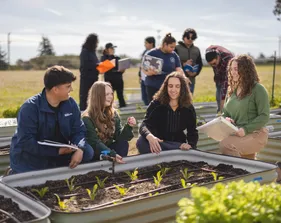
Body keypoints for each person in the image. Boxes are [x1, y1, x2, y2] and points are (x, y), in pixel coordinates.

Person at [9, 66, 94, 174]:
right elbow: (26, 142)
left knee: (87, 152)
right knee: (33, 182)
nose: (71, 90)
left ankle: (59, 170)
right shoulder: (30, 108)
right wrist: (57, 151)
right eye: (68, 86)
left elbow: (78, 130)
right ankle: (16, 173)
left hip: (60, 151)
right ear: (55, 89)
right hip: (32, 156)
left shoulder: (71, 104)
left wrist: (80, 148)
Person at [219, 55, 270, 159]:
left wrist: (245, 129)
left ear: (246, 70)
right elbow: (225, 113)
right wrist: (226, 119)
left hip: (255, 134)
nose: (233, 72)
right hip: (237, 134)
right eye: (231, 69)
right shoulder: (232, 90)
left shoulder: (258, 89)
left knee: (226, 145)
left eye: (236, 69)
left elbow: (264, 116)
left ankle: (237, 174)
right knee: (249, 163)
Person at [137, 72, 198, 154]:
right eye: (170, 86)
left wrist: (191, 145)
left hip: (177, 143)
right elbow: (144, 125)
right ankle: (173, 150)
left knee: (184, 148)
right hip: (158, 142)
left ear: (182, 88)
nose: (173, 90)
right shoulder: (156, 104)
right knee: (141, 142)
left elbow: (192, 132)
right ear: (166, 87)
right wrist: (150, 136)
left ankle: (169, 151)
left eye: (177, 86)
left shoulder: (188, 108)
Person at [82, 81, 136, 163]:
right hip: (95, 151)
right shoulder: (86, 118)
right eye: (107, 94)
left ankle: (118, 167)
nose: (111, 97)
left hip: (108, 149)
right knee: (94, 151)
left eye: (111, 94)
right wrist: (112, 154)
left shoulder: (113, 113)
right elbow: (95, 142)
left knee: (123, 144)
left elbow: (119, 137)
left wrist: (128, 126)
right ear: (97, 96)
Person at [142, 33, 184, 103]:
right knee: (154, 109)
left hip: (168, 87)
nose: (173, 49)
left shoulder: (174, 55)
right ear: (165, 44)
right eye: (171, 47)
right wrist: (149, 73)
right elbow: (143, 68)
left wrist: (183, 77)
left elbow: (178, 68)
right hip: (153, 86)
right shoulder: (151, 53)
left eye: (174, 47)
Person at [205, 45, 234, 113]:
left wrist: (223, 99)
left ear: (218, 57)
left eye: (214, 63)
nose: (213, 66)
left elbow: (226, 82)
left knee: (226, 94)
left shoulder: (228, 59)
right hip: (219, 76)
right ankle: (220, 112)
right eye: (211, 64)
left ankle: (225, 113)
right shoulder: (209, 52)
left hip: (229, 75)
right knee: (218, 94)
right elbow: (211, 47)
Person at [175, 28, 203, 94]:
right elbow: (173, 63)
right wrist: (183, 64)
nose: (190, 39)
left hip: (191, 81)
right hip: (178, 80)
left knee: (189, 101)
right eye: (188, 37)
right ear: (184, 37)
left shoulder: (197, 50)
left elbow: (200, 64)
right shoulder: (176, 48)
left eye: (192, 38)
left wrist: (195, 73)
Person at [101, 43, 127, 108]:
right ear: (107, 49)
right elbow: (103, 68)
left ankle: (123, 108)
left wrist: (123, 69)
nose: (113, 50)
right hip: (109, 80)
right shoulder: (103, 58)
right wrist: (112, 62)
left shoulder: (117, 58)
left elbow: (121, 68)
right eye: (111, 48)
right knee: (109, 96)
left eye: (113, 48)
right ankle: (109, 109)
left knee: (120, 95)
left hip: (118, 79)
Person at [79, 33, 100, 111]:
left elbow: (95, 62)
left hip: (94, 77)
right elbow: (85, 65)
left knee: (93, 97)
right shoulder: (85, 51)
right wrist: (97, 65)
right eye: (96, 42)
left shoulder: (93, 52)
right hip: (86, 79)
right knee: (85, 97)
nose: (97, 44)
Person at [139, 36, 156, 105]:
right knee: (144, 98)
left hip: (150, 79)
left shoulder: (155, 53)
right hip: (143, 78)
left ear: (151, 43)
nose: (144, 45)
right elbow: (141, 65)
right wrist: (139, 75)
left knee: (150, 99)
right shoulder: (145, 52)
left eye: (146, 43)